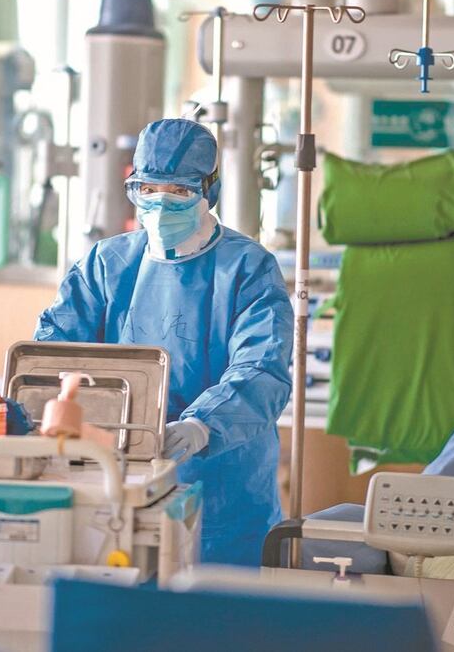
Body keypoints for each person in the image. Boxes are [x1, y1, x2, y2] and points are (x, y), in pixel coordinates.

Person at [34, 118, 293, 565]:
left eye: (178, 192)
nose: (160, 203)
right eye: (147, 189)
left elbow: (262, 369)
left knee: (218, 603)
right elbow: (54, 353)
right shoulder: (106, 264)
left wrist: (200, 427)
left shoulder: (248, 268)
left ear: (210, 191)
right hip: (116, 483)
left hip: (221, 494)